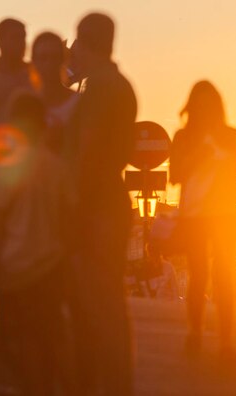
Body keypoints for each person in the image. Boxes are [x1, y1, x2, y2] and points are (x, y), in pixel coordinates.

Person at [0, 91, 75, 396]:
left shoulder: (7, 168)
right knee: (49, 339)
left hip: (15, 271)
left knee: (19, 345)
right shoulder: (58, 167)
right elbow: (70, 221)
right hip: (52, 268)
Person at [67, 12, 137, 395]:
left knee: (98, 301)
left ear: (83, 41)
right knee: (108, 300)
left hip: (96, 205)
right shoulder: (116, 84)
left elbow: (87, 153)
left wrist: (74, 206)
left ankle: (107, 383)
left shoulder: (101, 88)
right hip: (108, 199)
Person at [170, 80, 236, 359]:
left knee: (226, 276)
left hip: (225, 214)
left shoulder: (233, 136)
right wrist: (197, 156)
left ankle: (226, 341)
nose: (204, 111)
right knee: (199, 275)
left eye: (209, 105)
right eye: (199, 105)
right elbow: (174, 175)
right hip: (194, 215)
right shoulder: (183, 137)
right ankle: (195, 332)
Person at [30, 31, 79, 154]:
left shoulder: (80, 103)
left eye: (54, 57)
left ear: (63, 60)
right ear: (34, 61)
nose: (49, 63)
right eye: (43, 57)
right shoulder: (23, 103)